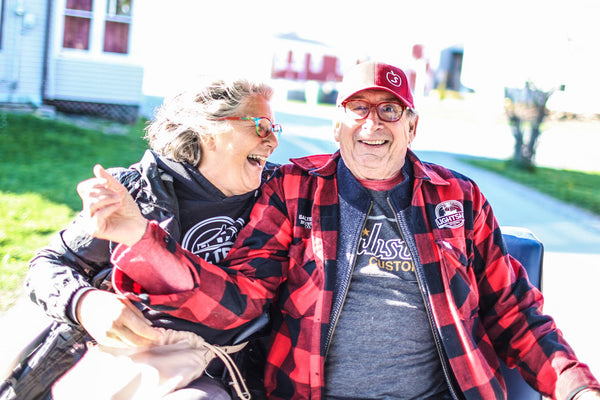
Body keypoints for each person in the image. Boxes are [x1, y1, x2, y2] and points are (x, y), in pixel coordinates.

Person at [83, 61, 600, 400]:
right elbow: (240, 300)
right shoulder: (291, 189)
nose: (373, 124)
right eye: (358, 109)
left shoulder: (458, 198)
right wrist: (139, 238)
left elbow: (515, 310)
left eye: (389, 110)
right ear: (337, 125)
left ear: (412, 126)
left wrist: (576, 388)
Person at [25, 77, 281, 399]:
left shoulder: (278, 196)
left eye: (275, 128)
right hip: (124, 367)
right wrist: (84, 303)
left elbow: (242, 305)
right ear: (207, 129)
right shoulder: (136, 191)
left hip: (226, 376)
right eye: (260, 125)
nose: (272, 141)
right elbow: (48, 264)